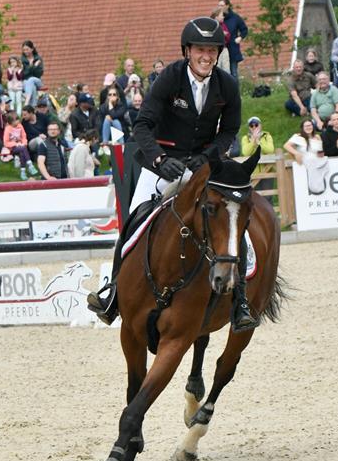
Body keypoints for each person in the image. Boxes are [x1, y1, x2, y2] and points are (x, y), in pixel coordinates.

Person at [88, 16, 249, 330]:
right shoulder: (169, 78)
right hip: (161, 166)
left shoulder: (226, 84)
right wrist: (161, 159)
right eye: (200, 49)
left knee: (230, 217)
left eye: (213, 50)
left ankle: (240, 298)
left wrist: (206, 157)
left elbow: (229, 130)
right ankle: (114, 295)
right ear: (187, 51)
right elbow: (143, 125)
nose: (207, 56)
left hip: (201, 167)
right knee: (133, 223)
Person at [219, 0, 248, 81]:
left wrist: (240, 37)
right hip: (221, 49)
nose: (220, 7)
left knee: (233, 73)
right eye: (219, 5)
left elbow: (244, 29)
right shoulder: (218, 18)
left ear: (227, 6)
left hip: (232, 48)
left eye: (222, 5)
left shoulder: (235, 18)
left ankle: (235, 93)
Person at [1, 111, 37, 179]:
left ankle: (23, 172)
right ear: (10, 122)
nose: (17, 122)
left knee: (22, 152)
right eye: (15, 121)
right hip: (11, 148)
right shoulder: (8, 129)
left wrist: (24, 143)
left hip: (21, 146)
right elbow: (6, 142)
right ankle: (30, 165)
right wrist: (16, 144)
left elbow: (24, 136)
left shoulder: (20, 126)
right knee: (23, 148)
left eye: (17, 119)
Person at [21, 40, 44, 107]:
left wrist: (33, 67)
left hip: (37, 81)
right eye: (24, 50)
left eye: (27, 49)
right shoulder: (21, 60)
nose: (25, 51)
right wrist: (33, 66)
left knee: (31, 79)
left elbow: (39, 74)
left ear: (32, 49)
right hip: (25, 81)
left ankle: (27, 102)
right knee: (32, 87)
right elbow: (23, 75)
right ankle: (33, 107)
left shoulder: (38, 59)